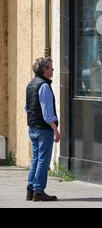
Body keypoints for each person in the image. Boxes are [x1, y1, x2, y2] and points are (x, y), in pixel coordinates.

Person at [25, 57, 61, 202]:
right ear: (45, 70)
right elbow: (47, 113)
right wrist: (56, 130)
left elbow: (27, 107)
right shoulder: (44, 86)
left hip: (33, 127)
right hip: (43, 129)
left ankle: (30, 189)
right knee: (43, 160)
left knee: (35, 158)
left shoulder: (31, 84)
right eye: (51, 67)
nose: (53, 69)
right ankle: (39, 191)